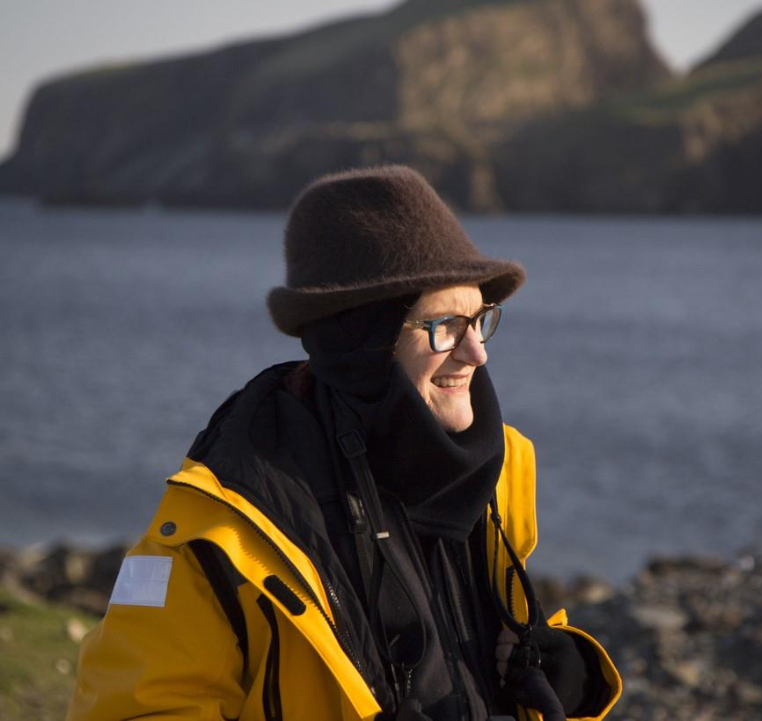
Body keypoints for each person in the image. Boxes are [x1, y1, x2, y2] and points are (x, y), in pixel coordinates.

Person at [68, 166, 622, 720]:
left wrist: (567, 677)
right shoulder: (223, 522)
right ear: (362, 341)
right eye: (446, 325)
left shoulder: (496, 472)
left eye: (482, 320)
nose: (478, 353)